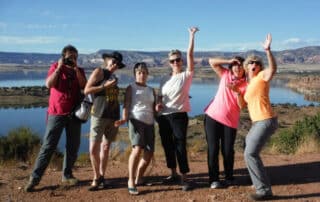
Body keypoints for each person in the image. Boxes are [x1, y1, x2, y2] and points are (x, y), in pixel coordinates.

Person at [24, 45, 87, 192]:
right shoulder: (55, 67)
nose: (73, 59)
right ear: (63, 56)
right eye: (70, 57)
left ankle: (67, 175)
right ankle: (34, 178)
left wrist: (76, 70)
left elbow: (84, 85)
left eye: (76, 57)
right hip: (57, 113)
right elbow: (48, 84)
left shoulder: (79, 71)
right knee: (48, 146)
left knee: (73, 146)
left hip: (74, 114)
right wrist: (59, 68)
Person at [156, 27, 198, 191]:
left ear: (182, 61)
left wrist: (191, 36)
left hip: (179, 116)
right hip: (164, 116)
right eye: (172, 61)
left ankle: (184, 177)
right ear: (169, 63)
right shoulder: (163, 79)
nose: (175, 63)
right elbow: (160, 96)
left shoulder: (186, 76)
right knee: (168, 145)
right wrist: (158, 104)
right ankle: (173, 173)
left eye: (178, 60)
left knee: (180, 145)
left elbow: (191, 55)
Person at [242, 33, 278, 201]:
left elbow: (273, 69)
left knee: (250, 153)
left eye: (256, 62)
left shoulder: (262, 76)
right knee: (248, 149)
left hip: (266, 119)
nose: (254, 64)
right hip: (257, 122)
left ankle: (263, 190)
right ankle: (259, 183)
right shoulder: (248, 85)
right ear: (246, 67)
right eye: (251, 62)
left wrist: (268, 50)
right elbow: (243, 104)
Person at [84, 51, 125, 191]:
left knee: (106, 147)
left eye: (118, 64)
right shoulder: (99, 71)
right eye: (113, 61)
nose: (115, 65)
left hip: (113, 116)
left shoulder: (115, 77)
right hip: (98, 116)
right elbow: (87, 90)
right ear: (107, 60)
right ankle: (96, 177)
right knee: (93, 149)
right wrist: (104, 86)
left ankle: (102, 176)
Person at [204, 56, 247, 189]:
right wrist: (228, 61)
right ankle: (214, 179)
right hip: (213, 117)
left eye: (240, 65)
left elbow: (242, 106)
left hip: (230, 122)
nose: (237, 67)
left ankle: (229, 177)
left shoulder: (246, 84)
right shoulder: (225, 74)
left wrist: (237, 92)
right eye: (234, 65)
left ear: (244, 68)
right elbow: (211, 61)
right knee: (213, 149)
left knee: (228, 151)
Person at [115, 62, 156, 195]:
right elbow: (126, 105)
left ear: (147, 74)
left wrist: (158, 109)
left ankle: (139, 178)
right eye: (139, 72)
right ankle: (131, 181)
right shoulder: (130, 88)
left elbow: (153, 108)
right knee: (137, 149)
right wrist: (124, 119)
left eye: (144, 72)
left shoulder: (151, 90)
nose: (142, 75)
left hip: (150, 123)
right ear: (135, 74)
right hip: (136, 120)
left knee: (149, 153)